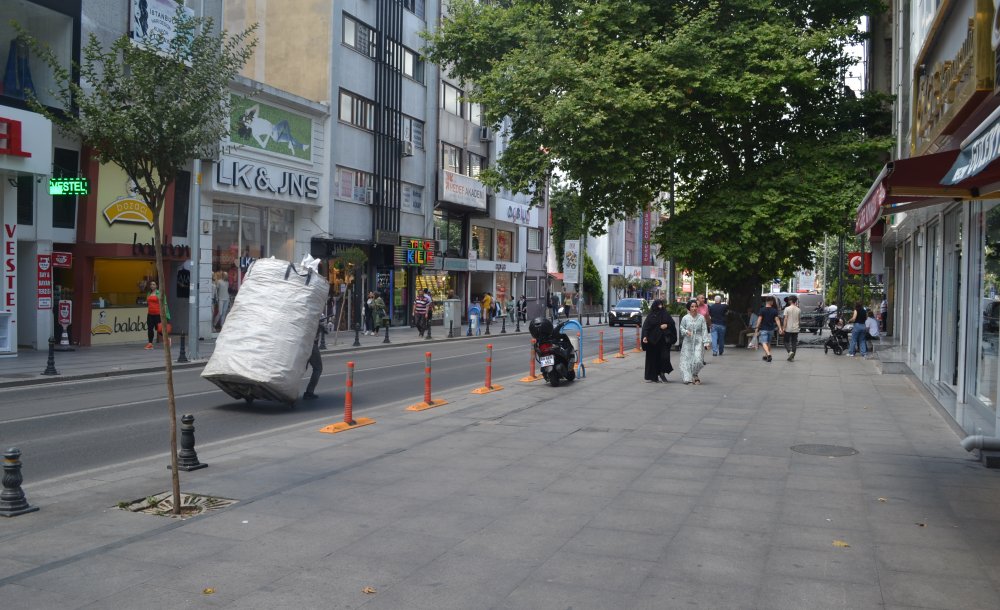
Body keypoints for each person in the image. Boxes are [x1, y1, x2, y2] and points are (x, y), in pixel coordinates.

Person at [641, 299, 676, 382]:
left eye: (661, 305)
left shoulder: (665, 314)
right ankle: (653, 376)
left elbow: (672, 324)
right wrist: (645, 336)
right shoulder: (651, 315)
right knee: (653, 359)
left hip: (663, 341)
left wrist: (666, 325)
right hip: (652, 341)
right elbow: (646, 327)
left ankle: (662, 372)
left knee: (665, 357)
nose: (660, 307)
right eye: (658, 305)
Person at [679, 300, 711, 384]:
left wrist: (706, 342)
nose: (694, 308)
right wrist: (686, 331)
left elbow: (704, 330)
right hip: (688, 341)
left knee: (698, 360)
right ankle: (687, 378)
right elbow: (681, 328)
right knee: (686, 360)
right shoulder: (685, 318)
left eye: (696, 306)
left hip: (698, 341)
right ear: (689, 308)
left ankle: (694, 374)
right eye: (692, 307)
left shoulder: (701, 318)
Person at [755, 295, 783, 363]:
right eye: (772, 301)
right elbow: (777, 319)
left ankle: (769, 354)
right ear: (770, 301)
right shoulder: (774, 310)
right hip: (771, 329)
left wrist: (757, 327)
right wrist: (780, 328)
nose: (773, 302)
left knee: (763, 342)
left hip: (763, 329)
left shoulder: (762, 309)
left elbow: (759, 319)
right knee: (769, 343)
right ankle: (766, 355)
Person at [144, 280, 169, 349]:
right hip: (150, 314)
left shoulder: (160, 293)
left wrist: (164, 314)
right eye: (151, 284)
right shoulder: (149, 293)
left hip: (158, 314)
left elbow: (165, 304)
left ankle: (167, 339)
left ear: (157, 286)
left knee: (159, 329)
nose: (152, 286)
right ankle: (150, 344)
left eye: (153, 284)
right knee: (150, 329)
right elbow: (148, 302)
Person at [303, 321, 323, 399]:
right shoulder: (314, 321)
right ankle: (309, 391)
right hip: (311, 346)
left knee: (302, 368)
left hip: (303, 345)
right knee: (318, 368)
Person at [782, 294, 801, 361]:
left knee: (785, 341)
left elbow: (785, 319)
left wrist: (783, 328)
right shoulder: (798, 309)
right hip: (796, 328)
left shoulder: (787, 309)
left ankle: (790, 352)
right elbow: (799, 320)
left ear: (790, 301)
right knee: (794, 342)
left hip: (788, 328)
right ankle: (792, 357)